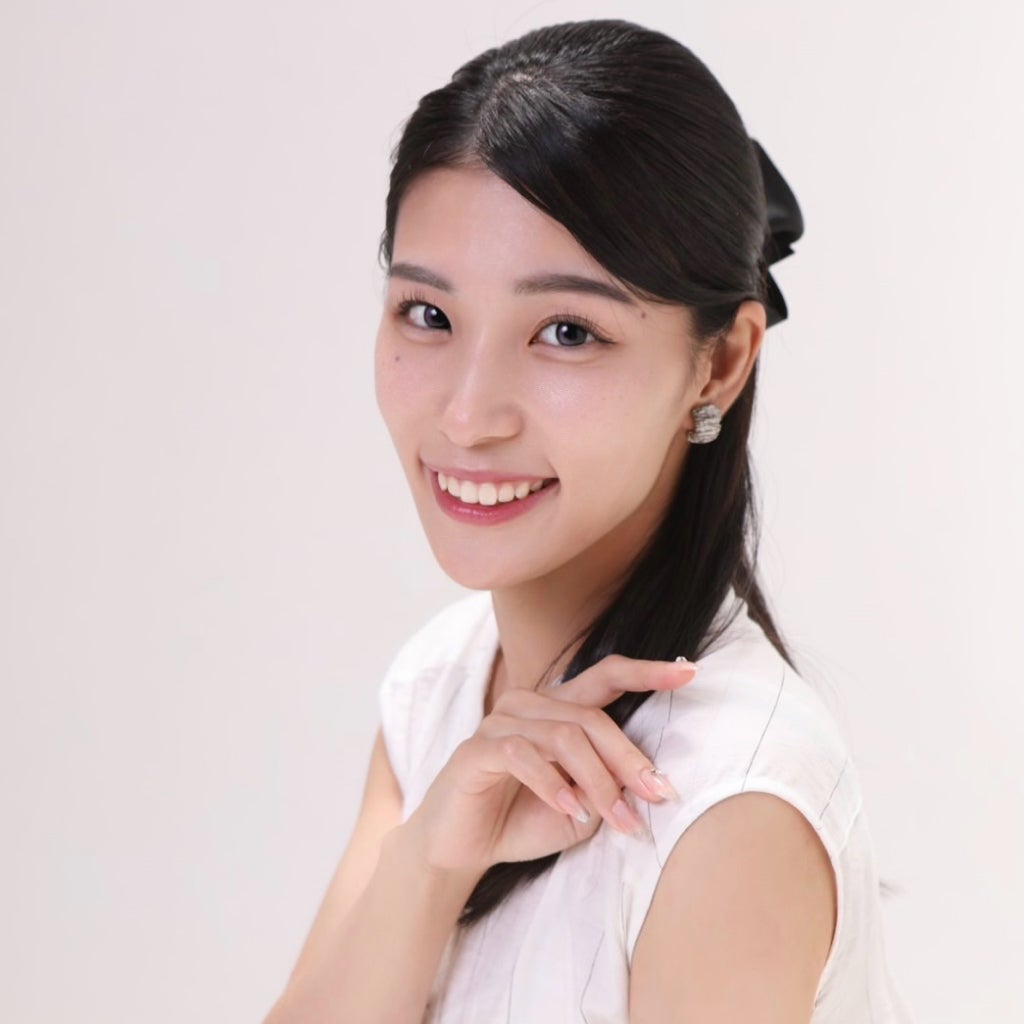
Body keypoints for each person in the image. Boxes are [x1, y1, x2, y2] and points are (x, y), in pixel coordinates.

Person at [264, 19, 914, 1024]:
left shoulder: (724, 800)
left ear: (719, 363)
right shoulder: (441, 690)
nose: (468, 416)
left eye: (566, 332)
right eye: (428, 315)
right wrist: (429, 860)